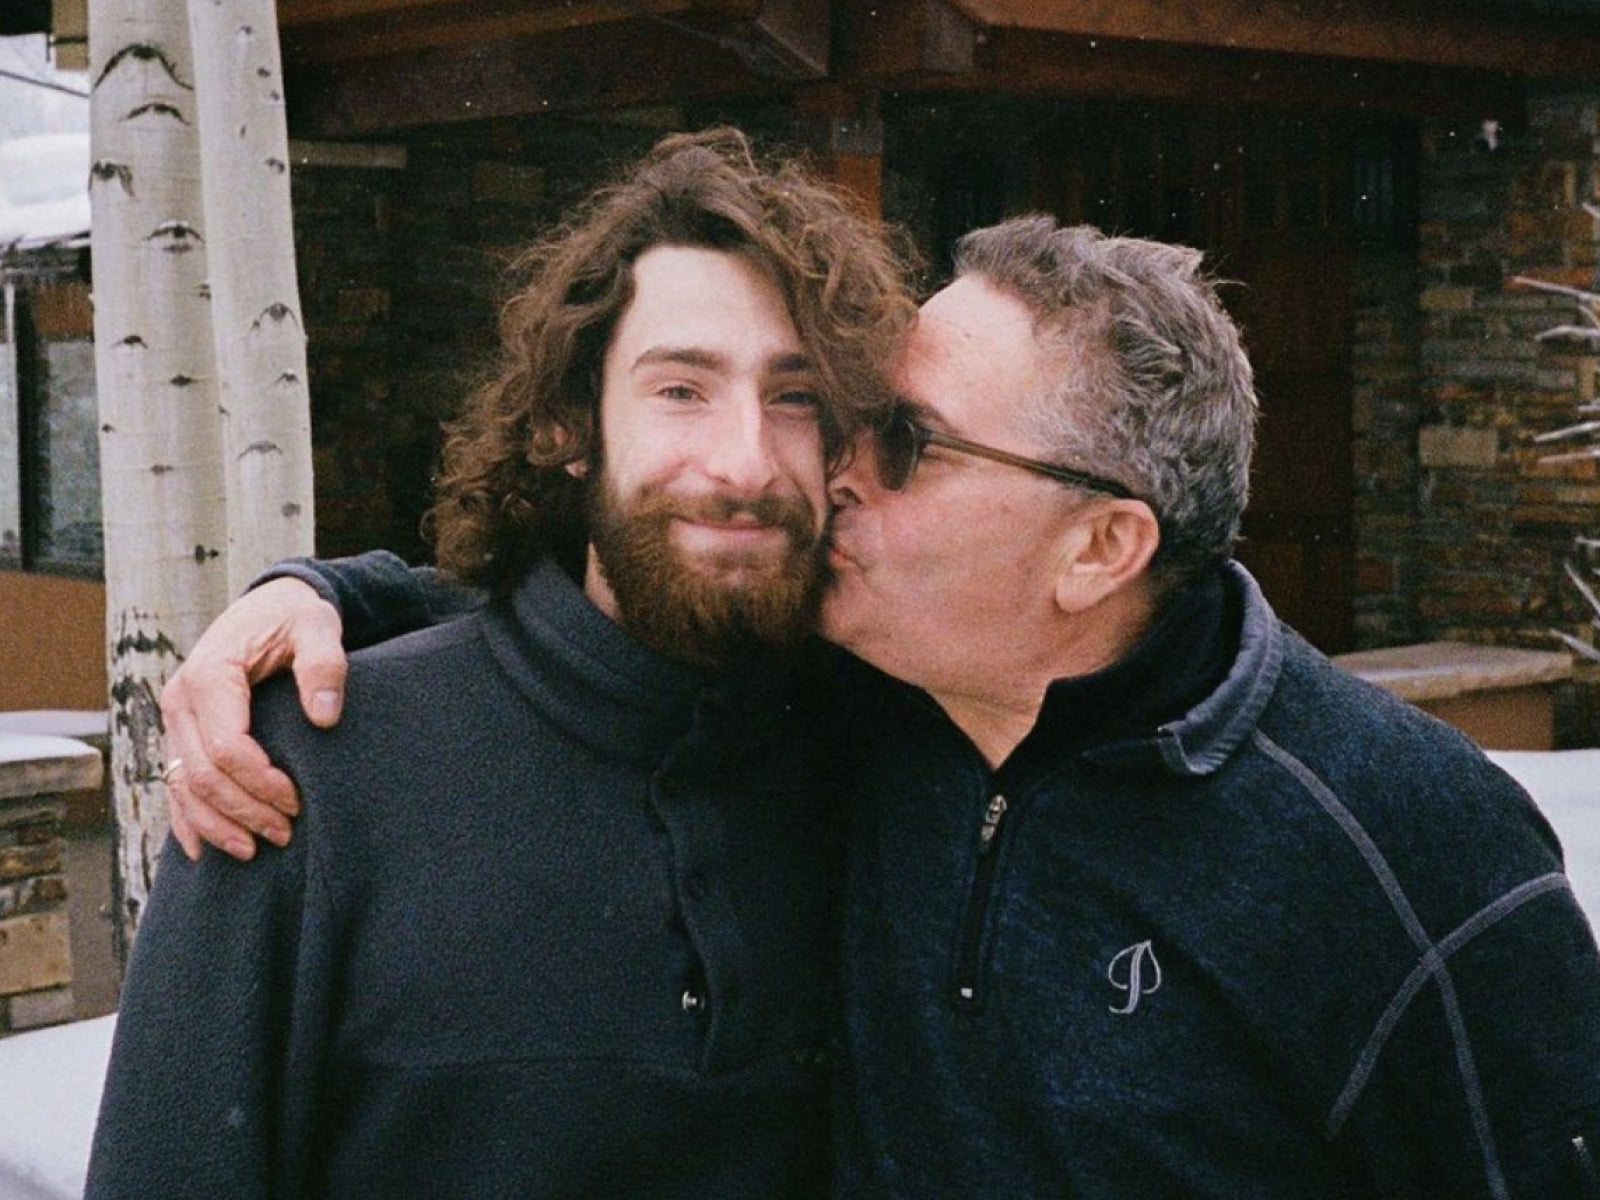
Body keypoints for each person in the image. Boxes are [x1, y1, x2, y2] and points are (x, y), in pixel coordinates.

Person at [161, 217, 1600, 1198]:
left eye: (905, 442)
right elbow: (614, 614)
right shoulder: (871, 700)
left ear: (1099, 548)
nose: (825, 472)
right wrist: (327, 595)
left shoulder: (1407, 853)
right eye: (851, 418)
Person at [85, 127, 916, 1200]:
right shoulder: (301, 770)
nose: (745, 462)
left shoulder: (887, 750)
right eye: (680, 390)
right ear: (568, 427)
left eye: (795, 397)